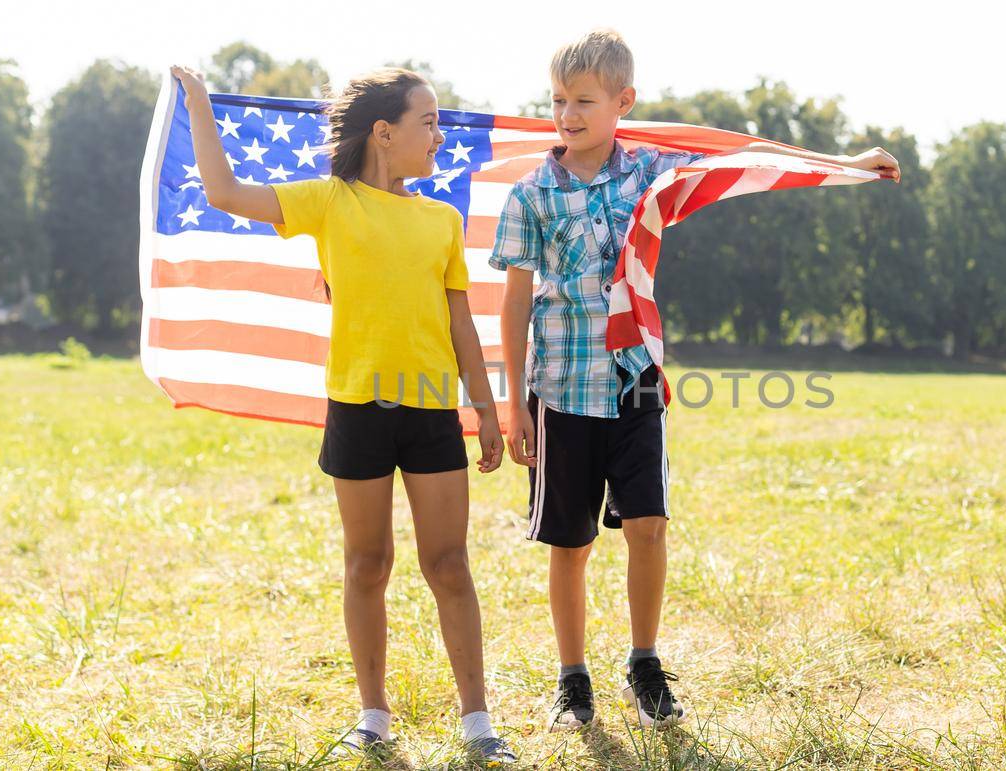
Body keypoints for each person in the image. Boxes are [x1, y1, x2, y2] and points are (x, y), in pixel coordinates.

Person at [490, 30, 900, 731]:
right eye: (558, 100)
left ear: (624, 102)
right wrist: (512, 408)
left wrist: (846, 164)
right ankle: (572, 678)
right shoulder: (532, 195)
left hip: (635, 379)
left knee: (648, 526)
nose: (567, 114)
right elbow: (516, 300)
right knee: (571, 542)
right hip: (558, 388)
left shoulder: (653, 171)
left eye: (584, 100)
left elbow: (747, 163)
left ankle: (643, 663)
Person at [169, 64, 516, 764]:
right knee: (368, 562)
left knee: (448, 563)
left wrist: (485, 408)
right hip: (357, 407)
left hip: (429, 412)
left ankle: (478, 721)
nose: (441, 135)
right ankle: (374, 715)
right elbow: (223, 192)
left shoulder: (441, 221)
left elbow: (461, 326)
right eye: (430, 121)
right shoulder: (327, 202)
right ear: (385, 133)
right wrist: (200, 105)